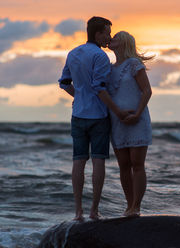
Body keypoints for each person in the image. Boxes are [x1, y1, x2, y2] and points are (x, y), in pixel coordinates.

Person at [58, 17, 130, 221]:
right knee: (98, 161)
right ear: (97, 34)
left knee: (78, 162)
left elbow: (64, 82)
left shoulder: (73, 53)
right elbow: (99, 88)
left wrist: (78, 96)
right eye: (107, 33)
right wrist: (117, 111)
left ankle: (78, 212)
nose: (109, 37)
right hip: (98, 116)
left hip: (78, 114)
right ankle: (94, 211)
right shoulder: (100, 56)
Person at [108, 31, 153, 217]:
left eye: (116, 37)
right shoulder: (109, 68)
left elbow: (147, 91)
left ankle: (137, 206)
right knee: (124, 165)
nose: (111, 39)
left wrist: (138, 113)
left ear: (124, 42)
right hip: (117, 121)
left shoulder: (134, 64)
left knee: (137, 163)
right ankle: (128, 205)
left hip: (137, 119)